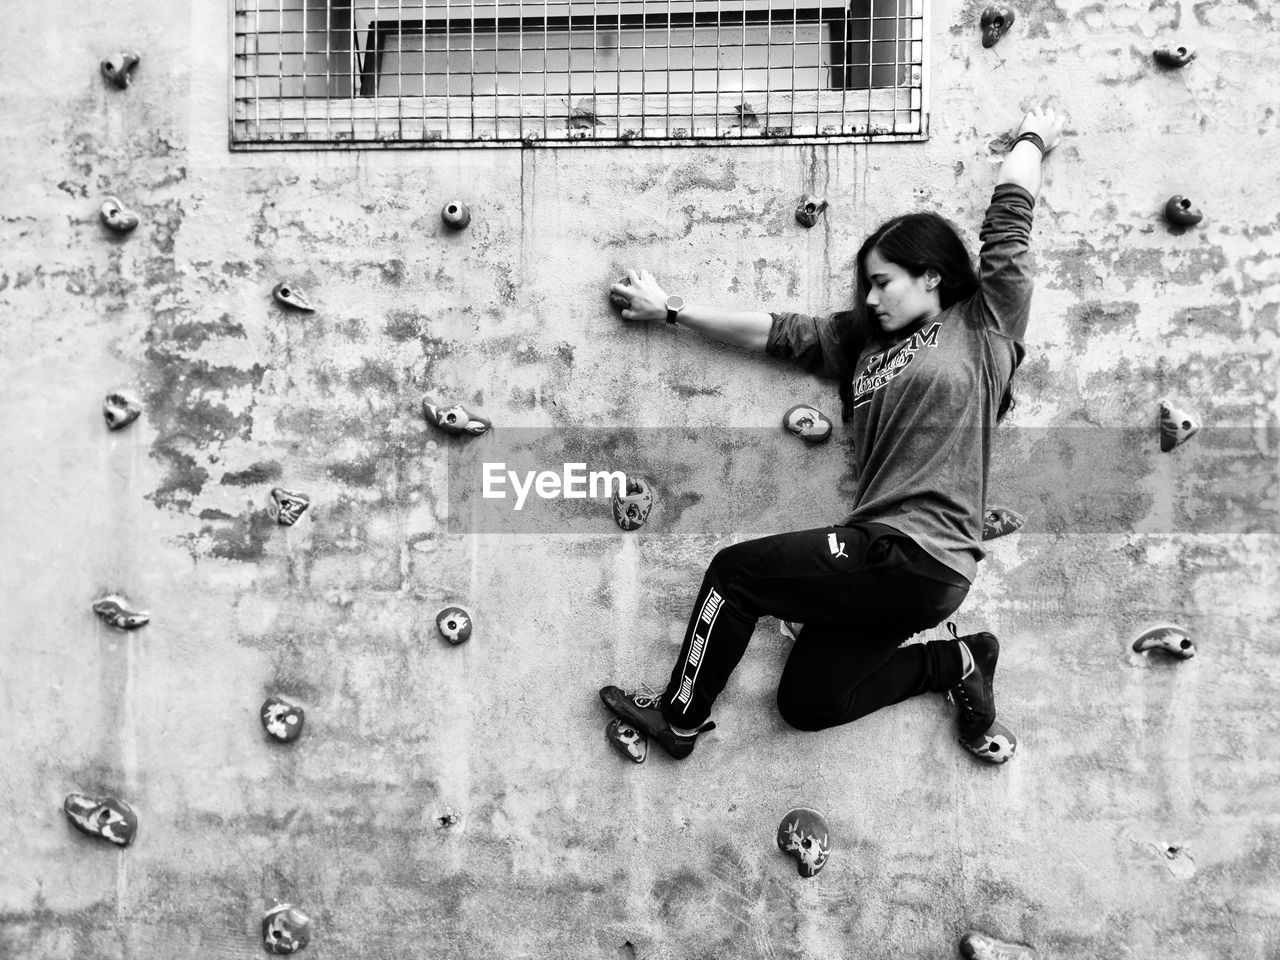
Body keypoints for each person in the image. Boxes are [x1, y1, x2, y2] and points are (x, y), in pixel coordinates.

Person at [599, 106, 1065, 765]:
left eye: (883, 282)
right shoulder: (860, 344)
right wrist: (670, 311)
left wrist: (1032, 137)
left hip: (911, 551)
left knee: (735, 576)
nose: (870, 298)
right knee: (809, 704)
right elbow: (774, 333)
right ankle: (960, 661)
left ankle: (680, 718)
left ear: (930, 275)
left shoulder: (983, 325)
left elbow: (1010, 216)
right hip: (897, 571)